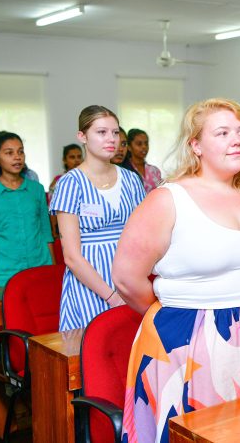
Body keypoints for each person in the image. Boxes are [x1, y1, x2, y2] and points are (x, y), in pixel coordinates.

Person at [113, 98, 240, 443]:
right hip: (188, 339)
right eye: (222, 133)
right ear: (195, 145)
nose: (236, 140)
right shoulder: (168, 199)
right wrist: (179, 315)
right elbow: (125, 277)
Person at [50, 106, 145, 331]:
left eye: (115, 132)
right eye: (101, 132)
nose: (111, 139)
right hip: (90, 286)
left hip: (129, 282)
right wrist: (112, 297)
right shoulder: (70, 183)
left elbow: (144, 238)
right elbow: (71, 257)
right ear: (82, 136)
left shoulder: (131, 180)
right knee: (94, 346)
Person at [0, 131, 54, 288]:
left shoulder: (37, 189)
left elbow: (46, 233)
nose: (17, 157)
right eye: (9, 153)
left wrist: (52, 270)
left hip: (40, 268)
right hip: (5, 275)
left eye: (20, 152)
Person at [125, 128, 162, 192]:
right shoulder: (125, 169)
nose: (144, 147)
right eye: (139, 144)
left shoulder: (155, 171)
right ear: (129, 147)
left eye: (146, 143)